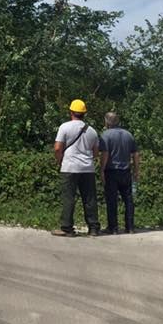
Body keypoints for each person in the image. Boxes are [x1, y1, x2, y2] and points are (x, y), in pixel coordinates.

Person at [52, 99, 102, 237]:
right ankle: (93, 228)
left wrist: (59, 159)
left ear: (71, 112)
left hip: (69, 167)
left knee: (69, 197)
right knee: (89, 198)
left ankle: (67, 228)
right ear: (84, 114)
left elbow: (57, 148)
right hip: (87, 169)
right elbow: (96, 153)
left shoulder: (65, 127)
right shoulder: (92, 131)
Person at [99, 112, 139, 234]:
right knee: (128, 199)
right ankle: (130, 226)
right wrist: (136, 170)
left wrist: (101, 169)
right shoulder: (128, 135)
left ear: (107, 122)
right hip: (126, 171)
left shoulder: (106, 135)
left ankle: (113, 227)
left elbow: (105, 154)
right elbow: (135, 154)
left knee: (112, 200)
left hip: (111, 171)